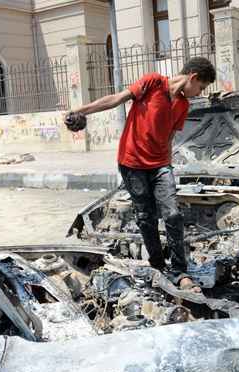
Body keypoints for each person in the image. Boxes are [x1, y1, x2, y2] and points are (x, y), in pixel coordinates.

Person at [64, 57, 216, 292]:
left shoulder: (183, 105)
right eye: (201, 87)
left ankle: (180, 272)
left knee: (173, 214)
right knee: (146, 217)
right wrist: (80, 111)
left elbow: (169, 137)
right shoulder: (153, 82)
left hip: (160, 166)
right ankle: (157, 265)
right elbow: (116, 99)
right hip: (132, 163)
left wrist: (166, 166)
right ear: (193, 77)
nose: (199, 93)